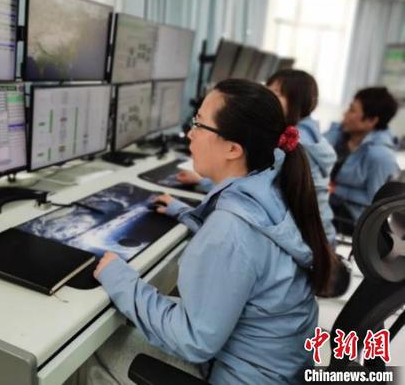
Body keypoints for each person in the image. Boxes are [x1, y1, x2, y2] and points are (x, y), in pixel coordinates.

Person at [88, 79, 334, 384]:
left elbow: (194, 340)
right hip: (276, 366)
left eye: (200, 124)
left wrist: (119, 278)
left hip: (242, 376)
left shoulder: (231, 230)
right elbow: (245, 248)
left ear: (233, 148)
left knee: (93, 351)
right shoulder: (271, 181)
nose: (190, 133)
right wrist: (187, 214)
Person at [177, 71, 338, 246]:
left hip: (312, 240)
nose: (267, 93)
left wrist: (200, 186)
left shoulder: (298, 144)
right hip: (316, 237)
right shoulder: (300, 136)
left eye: (276, 92)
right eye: (267, 87)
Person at [266, 70, 337, 246]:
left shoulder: (296, 141)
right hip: (320, 235)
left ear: (296, 101)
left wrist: (206, 180)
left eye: (275, 93)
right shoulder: (308, 130)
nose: (266, 96)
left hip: (307, 242)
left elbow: (262, 183)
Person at [324, 87, 399, 228]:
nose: (345, 113)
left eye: (352, 110)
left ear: (371, 120)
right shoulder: (339, 134)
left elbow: (375, 200)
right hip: (326, 204)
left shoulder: (381, 156)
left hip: (351, 220)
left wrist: (336, 189)